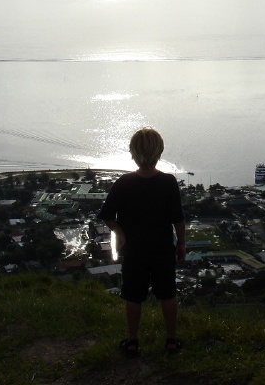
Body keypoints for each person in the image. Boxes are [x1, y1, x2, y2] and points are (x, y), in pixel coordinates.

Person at [97, 127, 186, 357]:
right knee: (168, 294)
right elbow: (178, 219)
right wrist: (181, 244)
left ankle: (132, 342)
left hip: (134, 249)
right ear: (159, 151)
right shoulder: (168, 182)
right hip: (162, 248)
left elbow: (107, 216)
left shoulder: (124, 182)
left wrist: (120, 232)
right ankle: (171, 341)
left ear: (133, 152)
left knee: (133, 295)